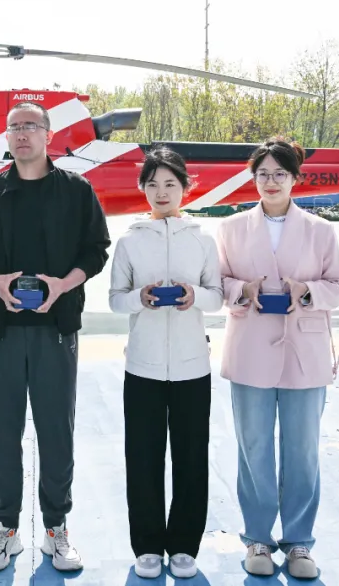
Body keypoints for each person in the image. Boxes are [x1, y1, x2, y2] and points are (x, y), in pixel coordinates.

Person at [0, 101, 111, 572]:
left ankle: (55, 527)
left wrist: (63, 286)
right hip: (2, 331)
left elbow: (96, 250)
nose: (22, 133)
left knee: (55, 431)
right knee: (0, 431)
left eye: (31, 126)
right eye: (14, 127)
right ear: (6, 138)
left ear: (49, 134)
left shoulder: (76, 191)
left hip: (56, 329)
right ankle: (6, 527)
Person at [215, 136, 339, 579]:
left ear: (294, 178)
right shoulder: (231, 228)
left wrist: (307, 291)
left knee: (302, 450)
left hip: (305, 351)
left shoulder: (320, 230)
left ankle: (299, 542)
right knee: (253, 447)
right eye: (262, 174)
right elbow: (218, 281)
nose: (270, 182)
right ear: (252, 178)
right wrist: (243, 290)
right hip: (250, 347)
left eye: (279, 174)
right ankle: (257, 538)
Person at [107, 145, 224, 580]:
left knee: (191, 457)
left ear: (185, 188)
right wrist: (140, 298)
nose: (161, 192)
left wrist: (196, 296)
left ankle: (184, 546)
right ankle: (148, 546)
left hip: (193, 367)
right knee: (143, 457)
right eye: (153, 184)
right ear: (142, 188)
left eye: (170, 184)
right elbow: (115, 299)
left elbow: (218, 296)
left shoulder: (203, 239)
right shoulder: (130, 241)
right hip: (143, 367)